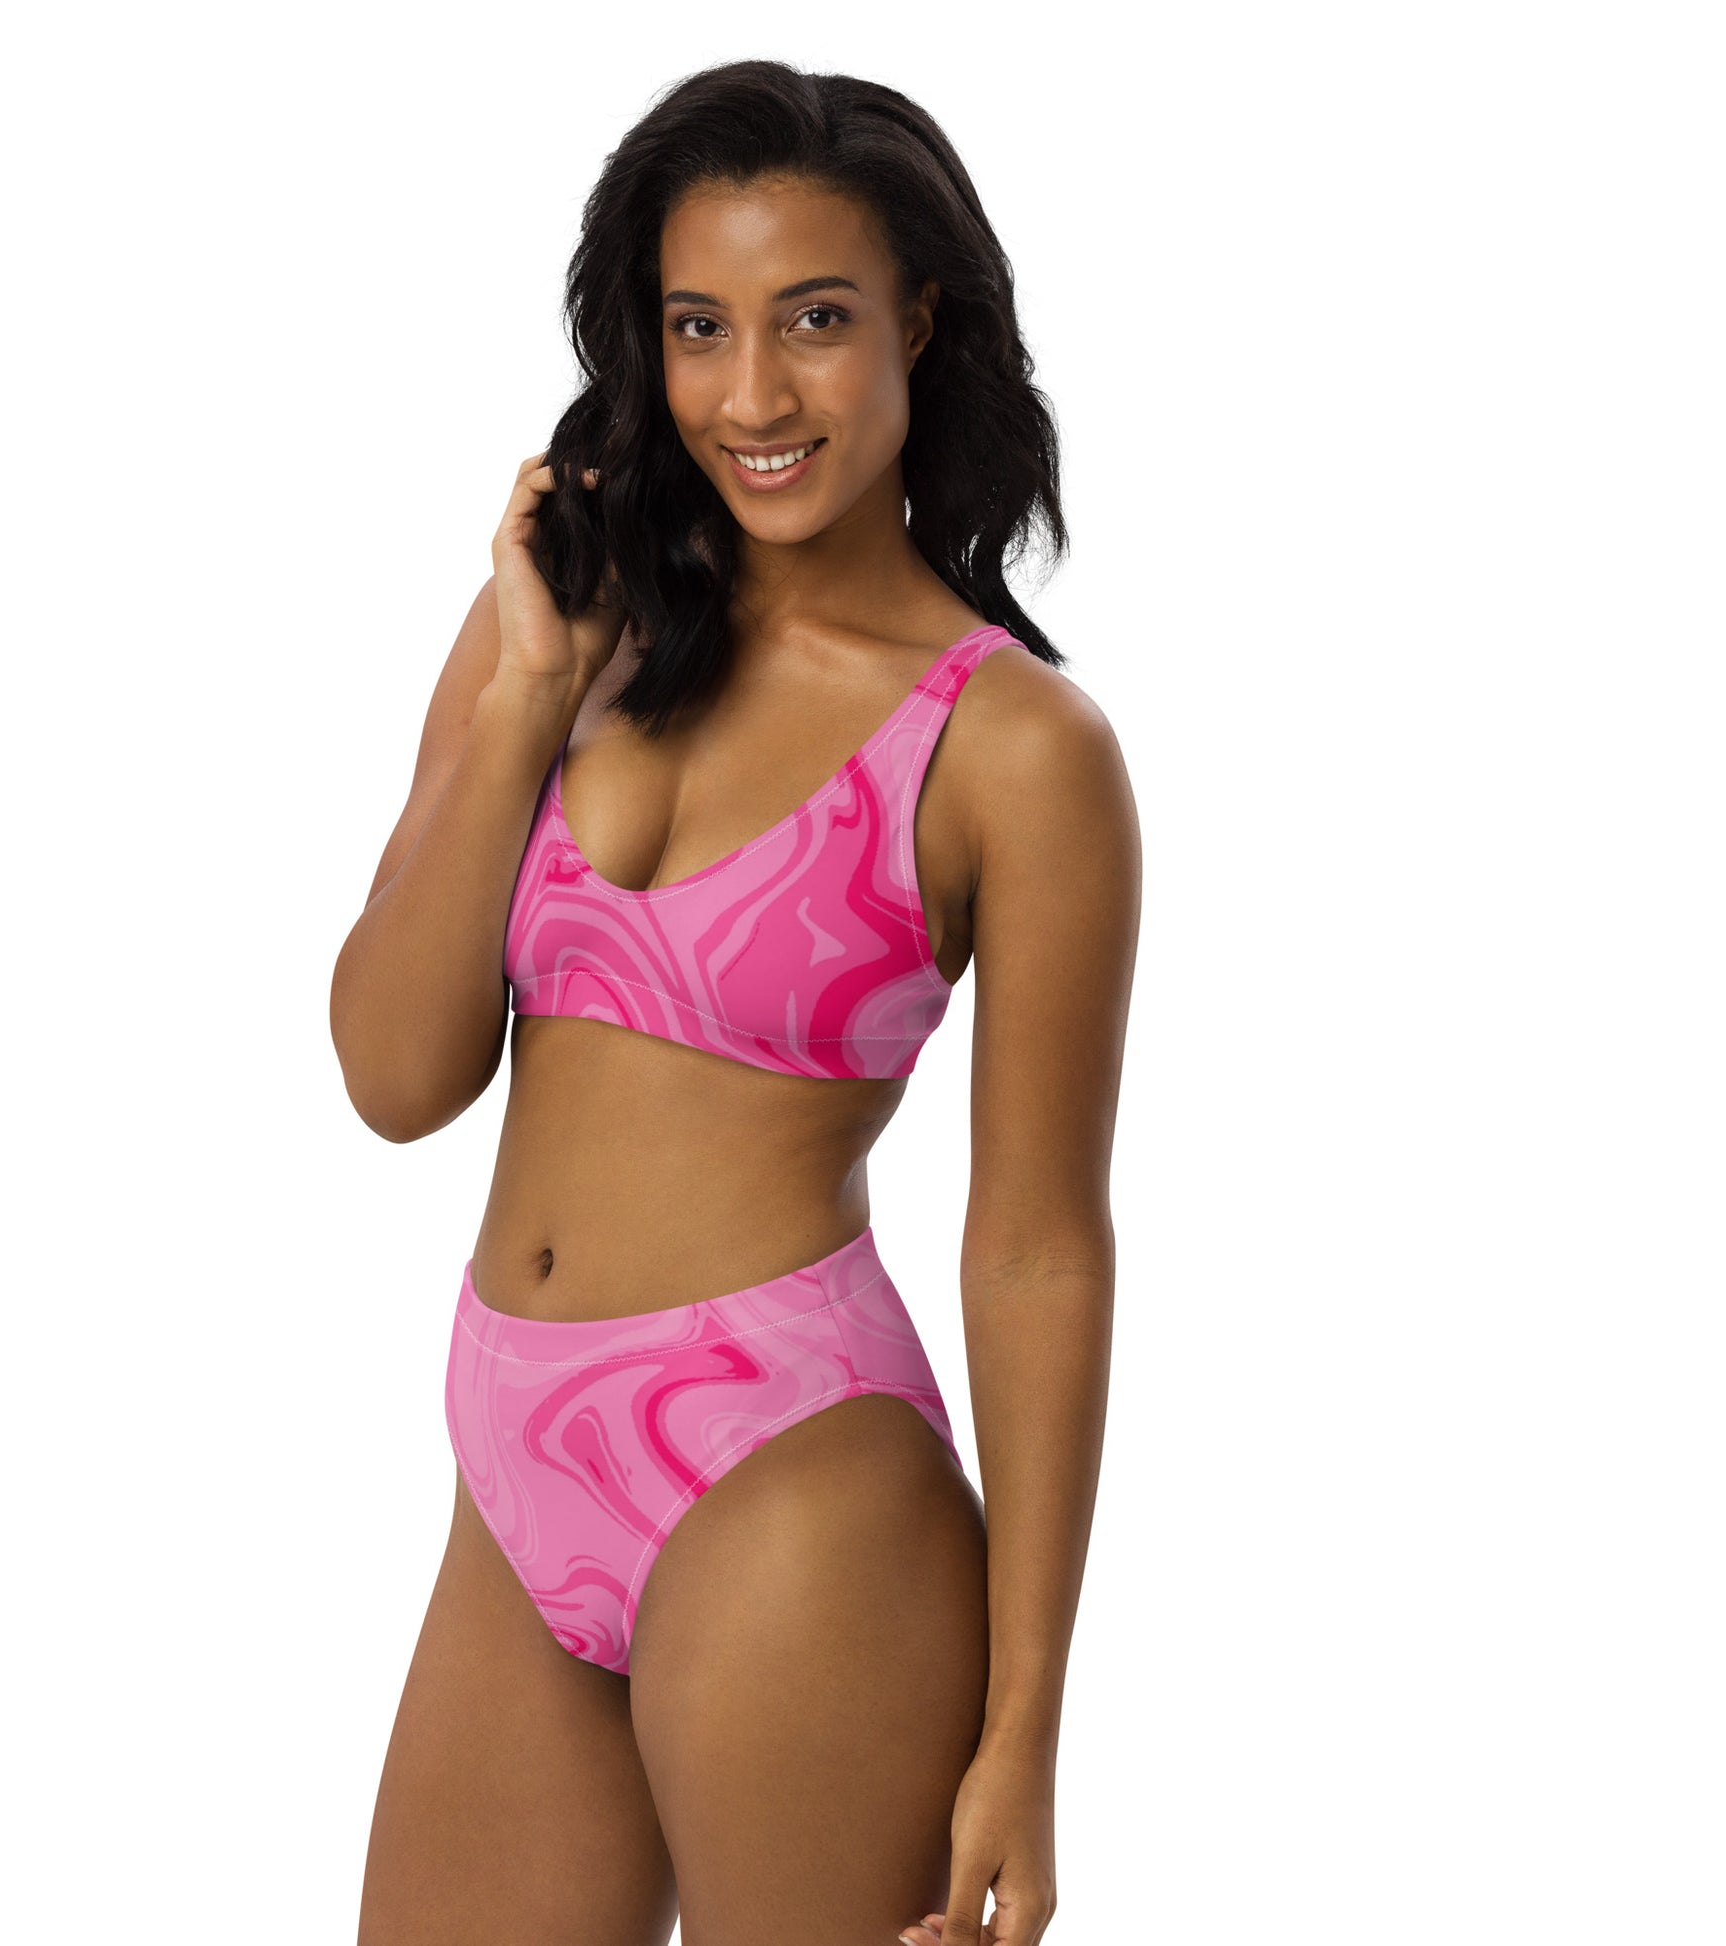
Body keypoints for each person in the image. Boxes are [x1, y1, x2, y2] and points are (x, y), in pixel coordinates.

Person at [330, 58, 1140, 1946]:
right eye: (700, 327)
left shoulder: (1013, 747)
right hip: (510, 1460)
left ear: (918, 323)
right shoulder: (568, 618)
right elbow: (392, 1072)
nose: (753, 396)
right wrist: (527, 695)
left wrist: (1024, 1728)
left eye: (815, 321)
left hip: (792, 1481)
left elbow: (1037, 1245)